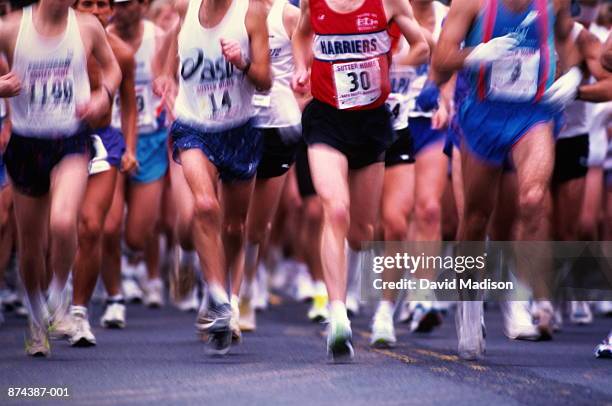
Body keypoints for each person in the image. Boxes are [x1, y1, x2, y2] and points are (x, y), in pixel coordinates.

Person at [432, 0, 578, 359]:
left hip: (533, 114)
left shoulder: (554, 3)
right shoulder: (471, 5)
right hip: (483, 116)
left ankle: (518, 296)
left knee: (531, 200)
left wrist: (573, 75)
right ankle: (469, 307)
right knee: (476, 218)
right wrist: (474, 54)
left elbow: (568, 42)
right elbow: (438, 66)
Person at [292, 0, 429, 361]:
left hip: (371, 123)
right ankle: (338, 314)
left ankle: (377, 304)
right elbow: (302, 33)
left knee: (363, 233)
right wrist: (300, 67)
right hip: (326, 117)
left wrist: (391, 64)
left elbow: (422, 46)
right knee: (335, 210)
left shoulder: (388, 3)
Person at [0, 0, 121, 356]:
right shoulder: (10, 28)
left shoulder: (85, 27)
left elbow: (113, 69)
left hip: (70, 139)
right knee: (31, 245)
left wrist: (103, 95)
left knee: (65, 220)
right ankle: (37, 319)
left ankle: (59, 293)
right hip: (25, 143)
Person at [155, 0, 271, 355]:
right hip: (194, 126)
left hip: (240, 128)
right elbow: (166, 55)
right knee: (204, 205)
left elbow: (265, 81)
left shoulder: (250, 12)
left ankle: (223, 291)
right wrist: (164, 77)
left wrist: (243, 63)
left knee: (235, 227)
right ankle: (219, 299)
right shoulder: (184, 8)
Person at [69, 0, 138, 346]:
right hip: (60, 140)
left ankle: (82, 312)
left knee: (97, 226)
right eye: (87, 4)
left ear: (111, 11)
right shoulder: (60, 45)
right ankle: (52, 298)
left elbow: (129, 105)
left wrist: (130, 148)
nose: (96, 11)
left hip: (104, 141)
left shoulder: (121, 54)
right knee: (61, 226)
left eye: (102, 5)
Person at [235, 0, 301, 335]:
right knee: (231, 221)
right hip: (237, 123)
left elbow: (309, 69)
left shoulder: (289, 16)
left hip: (277, 127)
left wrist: (297, 104)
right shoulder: (232, 11)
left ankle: (245, 289)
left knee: (257, 228)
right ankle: (224, 298)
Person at [102, 0, 168, 319]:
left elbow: (174, 79)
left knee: (137, 234)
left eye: (126, 3)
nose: (119, 9)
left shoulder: (158, 38)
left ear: (142, 6)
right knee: (109, 225)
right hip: (112, 135)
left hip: (151, 138)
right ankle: (115, 295)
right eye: (115, 4)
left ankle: (131, 262)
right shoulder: (102, 39)